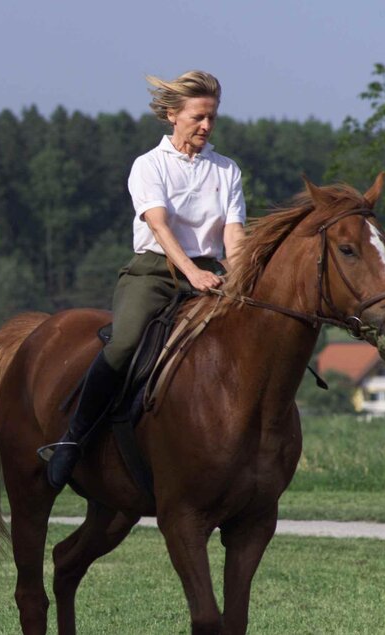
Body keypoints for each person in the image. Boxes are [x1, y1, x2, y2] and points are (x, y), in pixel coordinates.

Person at [44, 70, 246, 490]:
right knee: (124, 343)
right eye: (198, 117)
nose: (206, 126)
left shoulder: (227, 170)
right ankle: (73, 439)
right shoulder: (148, 165)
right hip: (155, 272)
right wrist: (192, 273)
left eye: (212, 117)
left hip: (212, 274)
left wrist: (242, 277)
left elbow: (234, 235)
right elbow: (159, 226)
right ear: (173, 115)